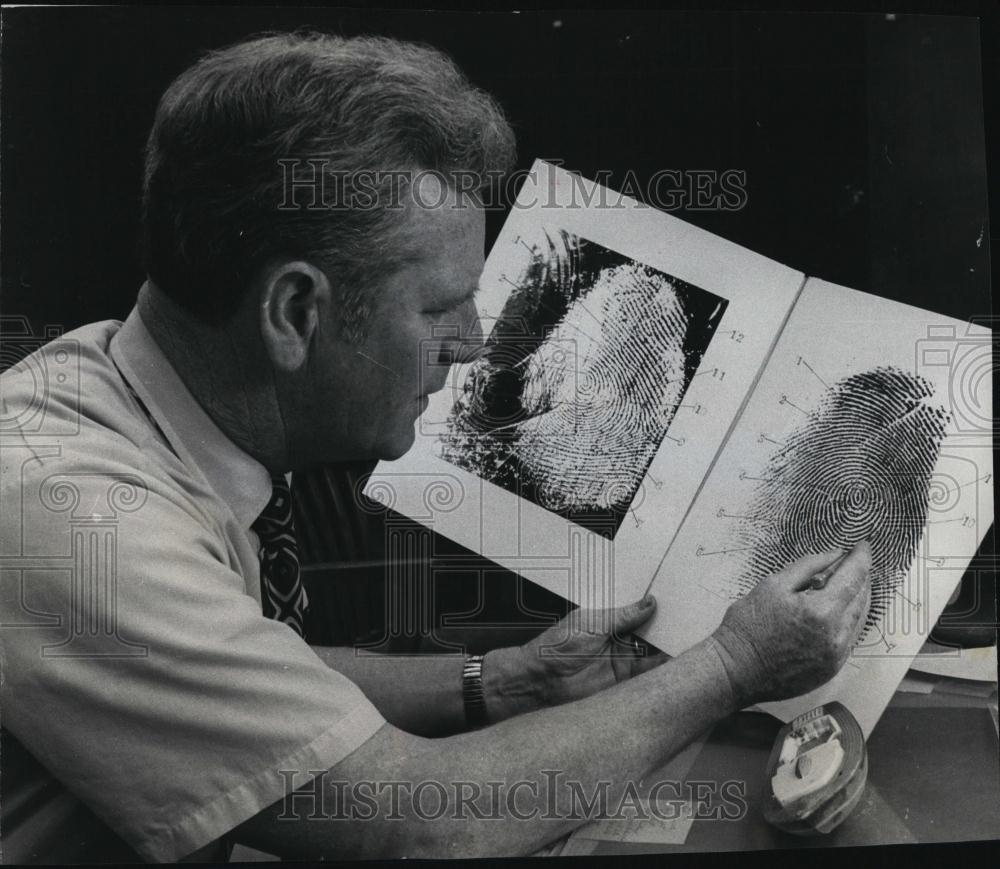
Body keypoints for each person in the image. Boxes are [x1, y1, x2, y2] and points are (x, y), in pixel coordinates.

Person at [0, 32, 871, 862]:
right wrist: (731, 664)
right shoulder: (72, 515)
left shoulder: (116, 382)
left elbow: (251, 675)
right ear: (295, 312)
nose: (475, 338)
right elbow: (415, 822)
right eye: (438, 306)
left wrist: (505, 682)